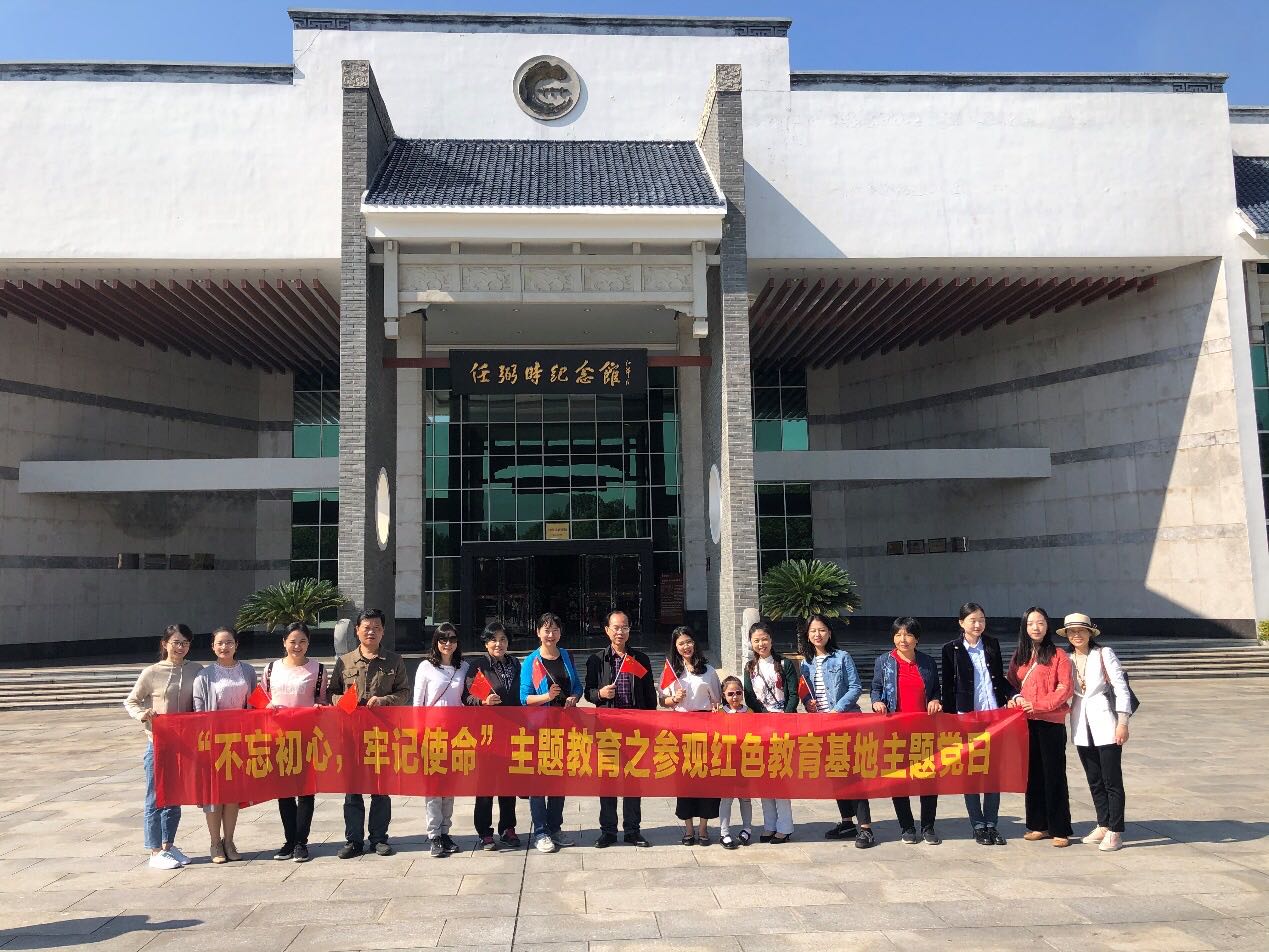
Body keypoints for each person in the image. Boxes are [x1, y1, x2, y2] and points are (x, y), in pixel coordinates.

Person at [330, 608, 410, 859]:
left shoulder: (394, 661)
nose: (371, 632)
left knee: (380, 789)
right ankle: (353, 840)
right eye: (366, 627)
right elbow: (331, 693)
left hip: (381, 734)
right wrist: (344, 701)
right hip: (352, 734)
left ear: (383, 631)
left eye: (376, 627)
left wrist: (385, 701)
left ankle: (378, 839)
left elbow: (404, 692)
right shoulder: (345, 661)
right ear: (357, 630)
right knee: (352, 789)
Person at [124, 623, 202, 870]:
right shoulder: (152, 672)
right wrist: (142, 714)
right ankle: (155, 850)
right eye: (176, 642)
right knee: (155, 797)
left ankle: (169, 845)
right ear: (165, 644)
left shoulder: (196, 670)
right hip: (157, 744)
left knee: (175, 798)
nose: (181, 647)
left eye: (185, 643)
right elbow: (131, 701)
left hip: (184, 745)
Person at [940, 602, 1012, 846]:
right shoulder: (951, 649)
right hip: (966, 718)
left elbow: (998, 678)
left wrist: (1013, 695)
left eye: (981, 619)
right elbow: (948, 686)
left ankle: (991, 823)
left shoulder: (992, 644)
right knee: (971, 773)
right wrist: (950, 719)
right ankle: (978, 825)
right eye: (972, 620)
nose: (978, 624)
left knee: (992, 773)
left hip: (994, 717)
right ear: (961, 623)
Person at [1058, 612, 1131, 852]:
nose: (1076, 635)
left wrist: (1123, 722)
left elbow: (1120, 688)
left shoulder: (1103, 653)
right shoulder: (1066, 658)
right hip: (1081, 723)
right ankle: (1103, 823)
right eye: (1071, 631)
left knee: (1112, 779)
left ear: (1090, 632)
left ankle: (1115, 829)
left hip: (1106, 721)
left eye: (1081, 630)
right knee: (1094, 779)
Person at [584, 610, 655, 848]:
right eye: (615, 627)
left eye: (624, 627)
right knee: (608, 780)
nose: (620, 632)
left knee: (633, 781)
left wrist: (650, 726)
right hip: (607, 727)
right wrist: (601, 694)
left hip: (634, 728)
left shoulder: (640, 659)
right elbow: (588, 692)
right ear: (607, 630)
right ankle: (608, 831)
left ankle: (633, 830)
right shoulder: (596, 660)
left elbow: (649, 696)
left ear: (629, 630)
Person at [871, 617, 943, 845]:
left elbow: (936, 690)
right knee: (899, 780)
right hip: (895, 731)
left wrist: (935, 700)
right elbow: (876, 688)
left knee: (928, 779)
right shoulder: (884, 662)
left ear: (917, 639)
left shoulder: (927, 662)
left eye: (908, 634)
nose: (903, 639)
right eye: (898, 635)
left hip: (924, 731)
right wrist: (876, 702)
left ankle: (928, 826)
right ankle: (907, 826)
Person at [1007, 606, 1075, 847]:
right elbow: (1011, 684)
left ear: (1047, 626)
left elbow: (1064, 688)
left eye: (1040, 623)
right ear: (1024, 627)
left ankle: (1059, 828)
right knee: (1032, 775)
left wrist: (1037, 705)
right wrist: (1013, 699)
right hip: (1025, 723)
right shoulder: (1020, 656)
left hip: (1050, 722)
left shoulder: (1058, 655)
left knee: (1054, 774)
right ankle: (1038, 824)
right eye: (1030, 624)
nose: (1035, 628)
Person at [191, 626, 258, 864]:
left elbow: (254, 703)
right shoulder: (204, 675)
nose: (224, 647)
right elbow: (198, 711)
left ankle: (229, 841)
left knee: (232, 794)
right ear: (212, 647)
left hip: (238, 741)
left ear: (236, 645)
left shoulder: (247, 671)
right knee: (214, 795)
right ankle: (214, 843)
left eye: (229, 642)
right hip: (214, 743)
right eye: (219, 643)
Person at [798, 613, 866, 843]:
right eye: (813, 631)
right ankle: (847, 822)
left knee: (854, 775)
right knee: (836, 773)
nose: (817, 634)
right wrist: (808, 702)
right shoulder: (806, 663)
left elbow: (855, 687)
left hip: (845, 722)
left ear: (829, 632)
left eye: (822, 630)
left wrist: (837, 710)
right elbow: (806, 692)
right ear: (807, 635)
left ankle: (865, 827)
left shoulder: (842, 657)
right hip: (822, 726)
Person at [263, 621, 327, 862]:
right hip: (278, 737)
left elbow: (322, 699)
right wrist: (267, 707)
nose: (297, 646)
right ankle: (289, 840)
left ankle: (301, 842)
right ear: (284, 642)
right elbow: (261, 698)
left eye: (302, 641)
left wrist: (320, 707)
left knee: (306, 791)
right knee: (284, 791)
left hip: (306, 737)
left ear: (308, 643)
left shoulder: (318, 669)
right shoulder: (271, 669)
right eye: (292, 641)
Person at [519, 611, 582, 854]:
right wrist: (547, 696)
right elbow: (524, 698)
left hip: (564, 727)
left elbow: (577, 685)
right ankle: (541, 832)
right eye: (546, 630)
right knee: (538, 782)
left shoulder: (566, 655)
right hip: (539, 728)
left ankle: (555, 828)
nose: (551, 634)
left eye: (555, 629)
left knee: (558, 781)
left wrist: (574, 696)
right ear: (538, 632)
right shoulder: (531, 661)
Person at [661, 625, 722, 845]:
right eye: (681, 643)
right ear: (675, 647)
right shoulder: (671, 671)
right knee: (685, 781)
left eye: (688, 642)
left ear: (694, 643)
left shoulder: (709, 671)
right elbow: (663, 700)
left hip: (705, 728)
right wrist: (674, 699)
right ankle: (688, 829)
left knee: (706, 780)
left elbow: (717, 700)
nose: (685, 647)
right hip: (681, 728)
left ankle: (703, 829)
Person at [465, 621, 522, 850]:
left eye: (503, 639)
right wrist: (483, 701)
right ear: (486, 643)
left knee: (509, 782)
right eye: (493, 640)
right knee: (486, 785)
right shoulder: (478, 666)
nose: (498, 644)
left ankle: (508, 828)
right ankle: (484, 832)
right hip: (486, 733)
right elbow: (467, 697)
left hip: (511, 731)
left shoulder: (515, 664)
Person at [414, 622, 469, 858]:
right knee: (434, 788)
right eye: (443, 639)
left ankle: (446, 831)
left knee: (449, 787)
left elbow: (469, 698)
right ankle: (433, 834)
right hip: (432, 734)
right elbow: (418, 703)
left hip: (456, 734)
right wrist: (418, 734)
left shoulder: (464, 667)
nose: (448, 644)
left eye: (452, 639)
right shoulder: (426, 667)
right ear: (436, 642)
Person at [741, 620, 798, 843]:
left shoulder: (784, 663)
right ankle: (769, 825)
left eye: (764, 639)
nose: (761, 644)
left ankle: (785, 827)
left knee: (780, 777)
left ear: (771, 639)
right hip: (761, 726)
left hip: (783, 726)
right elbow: (749, 697)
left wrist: (785, 717)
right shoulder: (750, 668)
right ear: (751, 643)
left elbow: (793, 694)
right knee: (764, 778)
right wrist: (762, 717)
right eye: (756, 640)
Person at [717, 675, 754, 850]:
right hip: (726, 761)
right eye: (730, 693)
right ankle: (724, 833)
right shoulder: (719, 713)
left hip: (745, 760)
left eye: (738, 693)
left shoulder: (749, 712)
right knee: (726, 798)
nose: (735, 697)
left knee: (745, 798)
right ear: (724, 695)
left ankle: (747, 828)